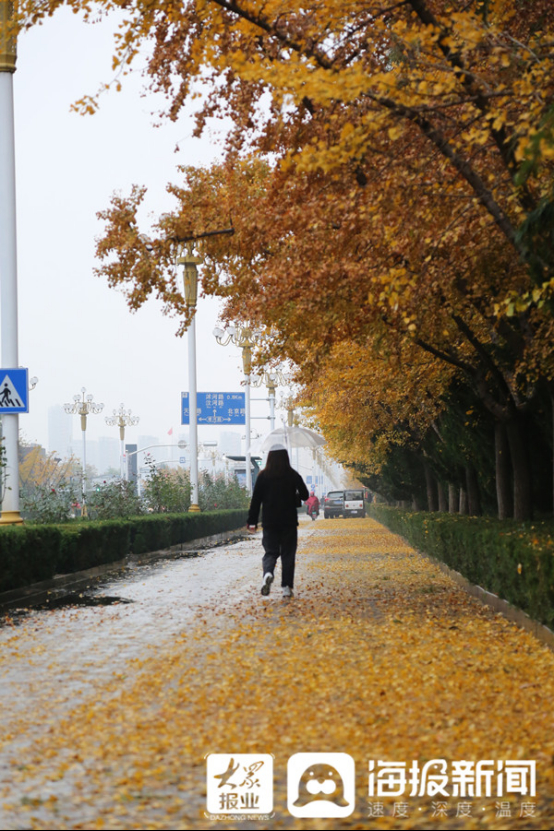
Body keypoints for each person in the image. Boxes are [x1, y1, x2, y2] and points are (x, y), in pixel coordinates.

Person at [247, 444, 309, 598]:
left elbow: (255, 501)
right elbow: (305, 495)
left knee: (270, 552)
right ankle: (287, 587)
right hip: (288, 522)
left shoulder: (263, 476)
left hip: (270, 522)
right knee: (288, 554)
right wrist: (295, 492)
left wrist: (252, 521)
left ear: (269, 457)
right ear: (285, 457)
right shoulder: (292, 475)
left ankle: (268, 573)